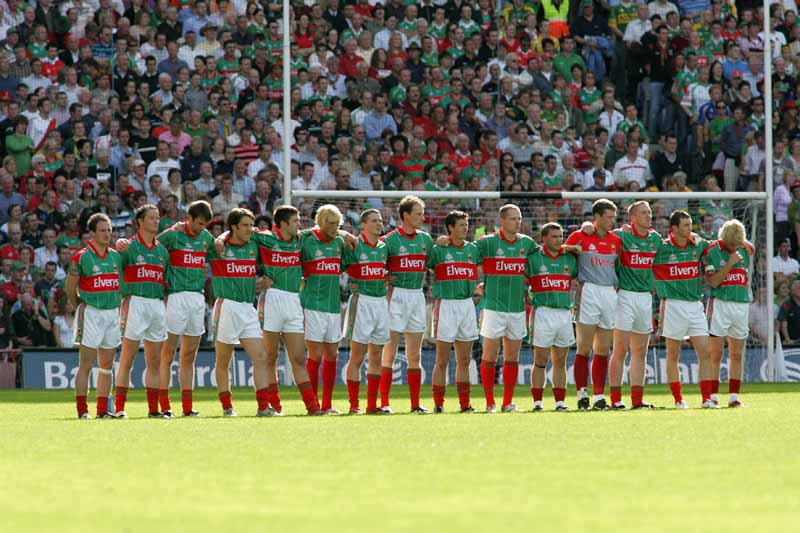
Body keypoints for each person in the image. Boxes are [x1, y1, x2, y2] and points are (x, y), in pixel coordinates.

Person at [215, 205, 322, 415]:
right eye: (295, 220)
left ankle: (312, 407)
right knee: (269, 356)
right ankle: (272, 406)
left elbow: (327, 231)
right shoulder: (262, 238)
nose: (299, 224)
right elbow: (235, 232)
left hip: (293, 301)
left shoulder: (301, 240)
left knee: (298, 358)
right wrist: (221, 237)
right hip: (270, 300)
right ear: (282, 223)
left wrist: (346, 234)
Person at [122, 200, 214, 417]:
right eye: (199, 223)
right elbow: (150, 245)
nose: (201, 228)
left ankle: (187, 406)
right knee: (167, 354)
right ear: (189, 219)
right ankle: (164, 404)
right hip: (175, 297)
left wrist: (221, 241)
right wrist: (123, 244)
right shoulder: (172, 235)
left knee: (189, 355)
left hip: (197, 298)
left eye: (205, 225)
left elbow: (216, 248)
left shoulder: (206, 238)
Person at [206, 208, 271, 417]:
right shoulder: (218, 248)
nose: (249, 229)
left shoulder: (254, 244)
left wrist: (261, 282)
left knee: (260, 357)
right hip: (227, 307)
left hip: (247, 307)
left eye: (251, 225)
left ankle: (263, 407)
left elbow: (272, 237)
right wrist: (222, 236)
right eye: (244, 225)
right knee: (224, 360)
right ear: (233, 227)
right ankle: (227, 407)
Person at [476, 204, 539, 413]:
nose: (517, 222)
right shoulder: (488, 243)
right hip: (493, 307)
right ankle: (489, 403)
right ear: (502, 221)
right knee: (490, 356)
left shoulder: (527, 243)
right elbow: (465, 253)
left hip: (517, 308)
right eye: (513, 218)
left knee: (512, 357)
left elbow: (546, 255)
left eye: (519, 218)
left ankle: (507, 403)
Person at [112, 205, 171, 418]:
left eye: (158, 218)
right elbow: (116, 269)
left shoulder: (162, 251)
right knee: (127, 359)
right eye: (152, 218)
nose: (156, 221)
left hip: (156, 304)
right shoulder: (128, 247)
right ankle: (119, 408)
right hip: (135, 303)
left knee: (155, 361)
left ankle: (154, 410)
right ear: (140, 221)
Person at [565, 199, 622, 410]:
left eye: (613, 217)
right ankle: (582, 395)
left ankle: (599, 397)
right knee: (584, 347)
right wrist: (572, 247)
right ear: (596, 217)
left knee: (603, 349)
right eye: (608, 217)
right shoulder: (580, 236)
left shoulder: (616, 240)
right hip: (587, 291)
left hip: (609, 292)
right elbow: (560, 249)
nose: (612, 221)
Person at [653, 210, 713, 409]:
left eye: (690, 225)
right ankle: (678, 399)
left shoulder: (698, 244)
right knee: (673, 354)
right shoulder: (661, 248)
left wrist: (742, 243)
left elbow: (720, 246)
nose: (690, 228)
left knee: (705, 352)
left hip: (696, 306)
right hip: (672, 305)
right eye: (686, 225)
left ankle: (706, 398)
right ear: (675, 228)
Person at [380, 195, 434, 413]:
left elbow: (434, 263)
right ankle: (384, 402)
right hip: (396, 297)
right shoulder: (389, 240)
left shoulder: (426, 240)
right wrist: (383, 277)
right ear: (405, 216)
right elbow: (376, 264)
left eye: (422, 213)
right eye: (418, 213)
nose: (422, 217)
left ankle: (415, 404)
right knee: (389, 352)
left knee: (415, 354)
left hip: (417, 296)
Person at [65, 213, 122, 419]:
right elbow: (70, 288)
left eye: (109, 230)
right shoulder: (81, 257)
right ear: (92, 233)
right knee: (86, 364)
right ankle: (82, 411)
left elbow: (120, 286)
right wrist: (79, 305)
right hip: (92, 313)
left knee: (106, 366)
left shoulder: (116, 256)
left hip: (112, 313)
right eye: (102, 230)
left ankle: (103, 410)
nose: (107, 234)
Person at [608, 201, 663, 409]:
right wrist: (588, 228)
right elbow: (601, 235)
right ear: (633, 218)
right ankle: (615, 400)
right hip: (624, 296)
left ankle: (637, 400)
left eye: (649, 212)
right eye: (644, 213)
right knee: (620, 349)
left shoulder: (655, 239)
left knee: (640, 351)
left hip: (645, 298)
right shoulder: (621, 236)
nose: (649, 216)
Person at [428, 210, 480, 413]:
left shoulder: (473, 250)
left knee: (464, 360)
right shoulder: (439, 250)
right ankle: (438, 404)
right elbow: (424, 265)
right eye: (461, 225)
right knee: (442, 359)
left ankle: (465, 404)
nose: (465, 228)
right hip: (446, 305)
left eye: (466, 225)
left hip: (467, 305)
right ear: (450, 227)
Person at [342, 209, 390, 414]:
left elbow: (384, 271)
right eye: (374, 221)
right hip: (361, 302)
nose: (379, 224)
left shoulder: (383, 247)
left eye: (380, 221)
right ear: (363, 225)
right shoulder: (354, 244)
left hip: (380, 302)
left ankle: (372, 406)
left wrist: (387, 278)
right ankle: (354, 405)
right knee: (358, 356)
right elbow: (341, 265)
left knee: (377, 355)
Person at [527, 222, 577, 411]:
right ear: (544, 238)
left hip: (564, 313)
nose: (559, 240)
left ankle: (560, 402)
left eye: (561, 236)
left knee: (560, 360)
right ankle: (538, 403)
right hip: (543, 313)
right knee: (540, 360)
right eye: (554, 236)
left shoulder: (570, 259)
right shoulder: (533, 259)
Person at [301, 204, 347, 413]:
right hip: (312, 305)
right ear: (320, 222)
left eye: (337, 223)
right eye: (330, 223)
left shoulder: (340, 241)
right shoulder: (307, 241)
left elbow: (350, 265)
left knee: (332, 354)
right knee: (315, 355)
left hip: (333, 306)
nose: (334, 227)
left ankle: (327, 404)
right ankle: (313, 405)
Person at [703, 219, 752, 408]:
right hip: (720, 304)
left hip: (741, 305)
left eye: (738, 243)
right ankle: (713, 395)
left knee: (737, 354)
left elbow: (750, 247)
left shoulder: (744, 249)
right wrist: (730, 264)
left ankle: (734, 397)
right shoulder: (712, 252)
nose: (735, 247)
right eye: (733, 244)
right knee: (715, 354)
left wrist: (745, 245)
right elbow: (714, 282)